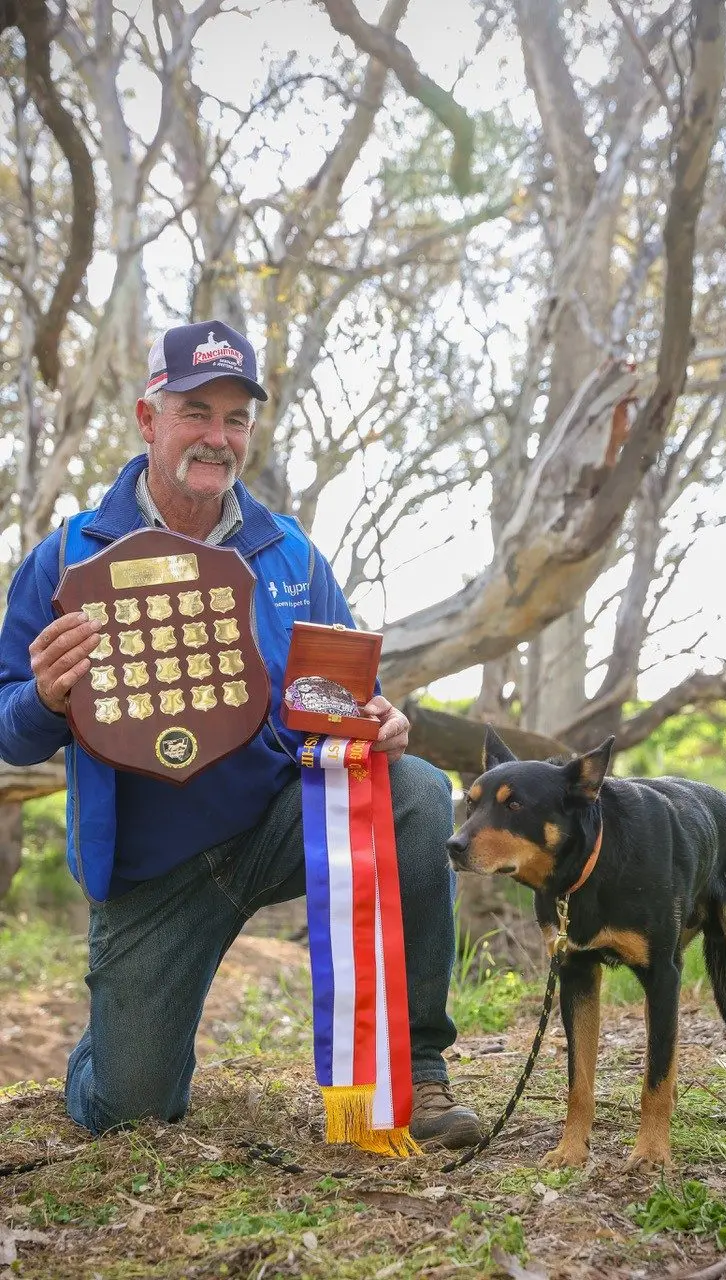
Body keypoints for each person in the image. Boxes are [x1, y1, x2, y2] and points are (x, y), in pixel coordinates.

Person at [0, 320, 481, 1148]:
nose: (217, 438)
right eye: (195, 411)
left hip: (279, 824)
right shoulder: (67, 557)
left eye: (235, 418)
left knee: (412, 792)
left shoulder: (286, 551)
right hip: (153, 871)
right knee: (133, 1111)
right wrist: (45, 697)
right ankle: (114, 1045)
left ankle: (416, 1079)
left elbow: (341, 688)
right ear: (149, 419)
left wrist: (380, 715)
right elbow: (9, 728)